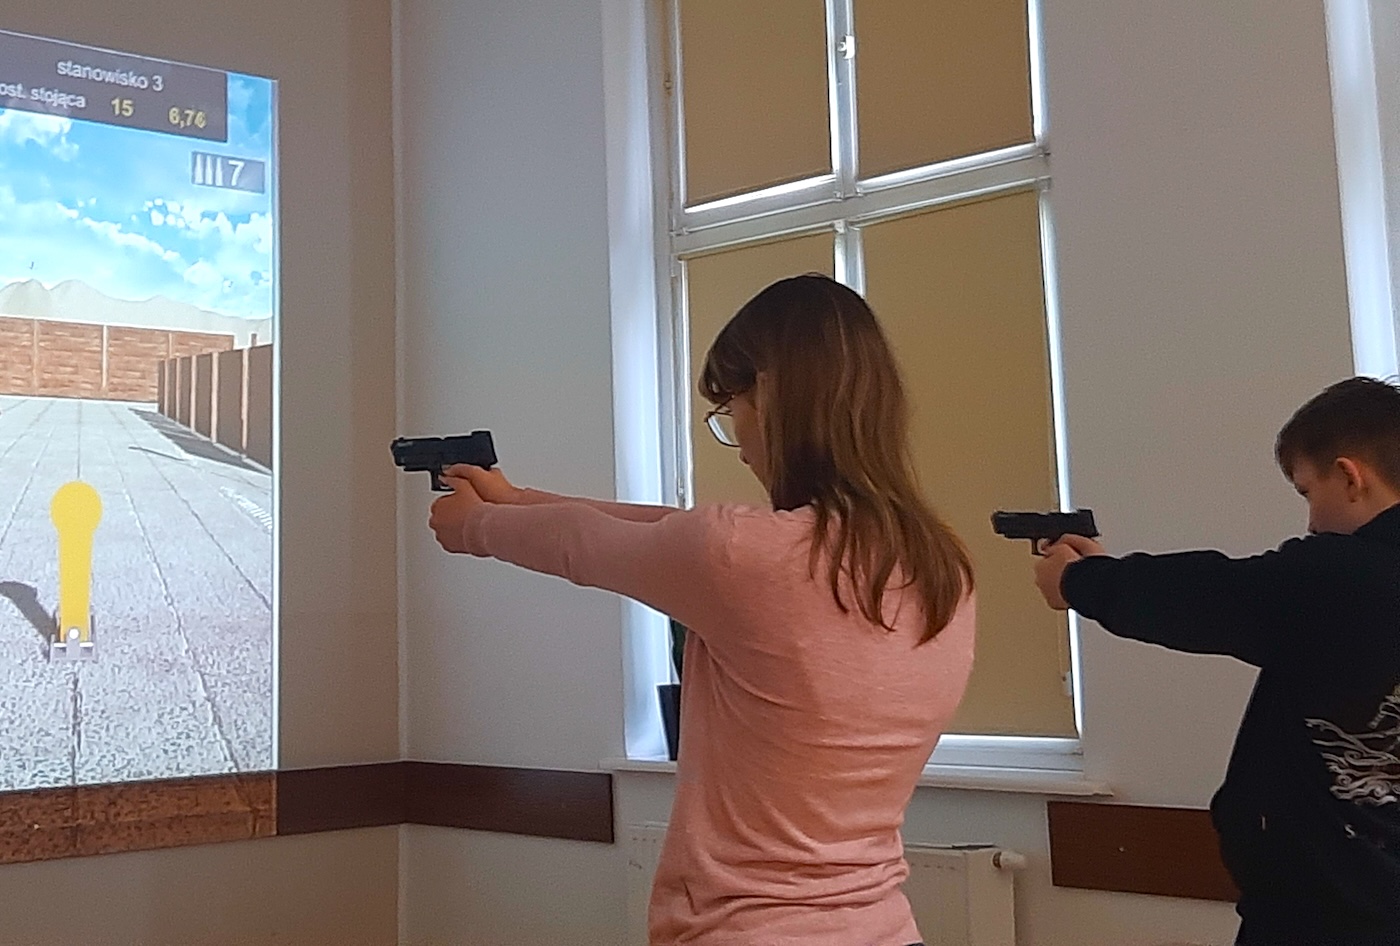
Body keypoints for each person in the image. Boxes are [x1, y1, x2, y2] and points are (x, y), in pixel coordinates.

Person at [427, 273, 976, 946]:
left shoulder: (742, 556)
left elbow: (596, 544)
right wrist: (514, 500)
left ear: (768, 395)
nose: (738, 440)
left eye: (731, 409)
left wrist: (475, 527)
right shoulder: (943, 569)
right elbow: (671, 532)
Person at [1034, 376, 1400, 946]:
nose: (1309, 520)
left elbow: (1209, 595)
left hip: (1329, 912)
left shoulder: (1344, 577)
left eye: (1308, 491)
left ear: (1350, 477)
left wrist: (1078, 581)